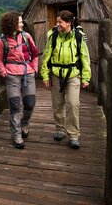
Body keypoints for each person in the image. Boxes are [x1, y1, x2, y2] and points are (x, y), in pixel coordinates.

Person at [40, 10, 91, 149]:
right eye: (57, 22)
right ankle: (60, 129)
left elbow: (85, 58)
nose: (57, 25)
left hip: (73, 75)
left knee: (73, 104)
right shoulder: (53, 36)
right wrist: (45, 75)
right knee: (57, 104)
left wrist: (86, 77)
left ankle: (73, 135)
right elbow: (46, 56)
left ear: (68, 23)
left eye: (60, 22)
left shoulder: (78, 36)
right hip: (56, 74)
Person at [0, 12, 38, 149]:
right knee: (14, 106)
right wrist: (4, 72)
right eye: (19, 22)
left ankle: (25, 123)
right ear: (12, 24)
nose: (22, 24)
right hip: (12, 76)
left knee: (30, 103)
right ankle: (16, 134)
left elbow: (35, 53)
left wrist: (34, 68)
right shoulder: (2, 42)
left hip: (28, 73)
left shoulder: (27, 37)